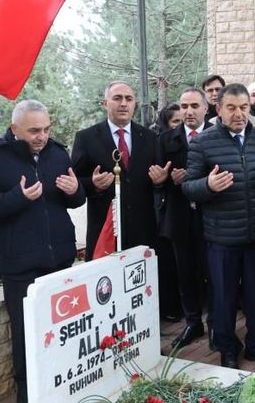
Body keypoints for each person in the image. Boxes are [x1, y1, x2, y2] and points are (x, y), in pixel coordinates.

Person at [0, 100, 85, 402]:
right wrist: (17, 197)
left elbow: (74, 200)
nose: (41, 136)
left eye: (45, 129)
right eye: (33, 131)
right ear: (14, 128)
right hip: (21, 268)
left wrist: (75, 190)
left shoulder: (57, 153)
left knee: (62, 335)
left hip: (60, 263)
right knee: (27, 339)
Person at [182, 83, 255, 371]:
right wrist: (208, 186)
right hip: (221, 237)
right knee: (224, 299)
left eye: (244, 108)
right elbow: (189, 187)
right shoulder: (202, 142)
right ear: (218, 109)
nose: (239, 114)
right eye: (232, 108)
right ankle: (227, 348)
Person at [71, 81, 181, 319]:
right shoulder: (86, 138)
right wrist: (92, 184)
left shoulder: (151, 137)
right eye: (117, 98)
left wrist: (161, 180)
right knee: (107, 288)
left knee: (141, 285)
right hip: (105, 229)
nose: (123, 104)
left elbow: (160, 178)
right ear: (105, 103)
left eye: (129, 99)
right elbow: (76, 181)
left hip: (144, 227)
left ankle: (145, 333)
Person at [157, 87, 212, 349]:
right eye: (184, 106)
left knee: (213, 273)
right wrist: (167, 180)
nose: (188, 111)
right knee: (185, 274)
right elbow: (157, 178)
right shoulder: (166, 139)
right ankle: (192, 322)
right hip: (179, 217)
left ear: (206, 108)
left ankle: (216, 322)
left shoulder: (216, 135)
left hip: (211, 217)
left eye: (194, 106)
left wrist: (196, 180)